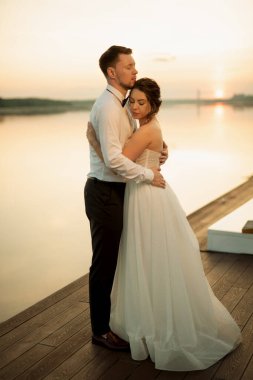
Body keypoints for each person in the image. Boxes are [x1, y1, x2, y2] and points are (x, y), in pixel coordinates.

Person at [87, 77, 242, 371]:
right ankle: (149, 318)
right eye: (132, 100)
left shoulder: (146, 131)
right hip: (148, 193)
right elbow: (138, 154)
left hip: (145, 198)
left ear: (153, 105)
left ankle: (152, 323)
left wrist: (94, 140)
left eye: (141, 102)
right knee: (149, 259)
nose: (134, 106)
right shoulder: (147, 127)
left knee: (146, 259)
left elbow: (113, 162)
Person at [84, 46, 167, 352]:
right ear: (112, 72)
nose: (135, 70)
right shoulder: (107, 107)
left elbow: (130, 144)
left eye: (135, 65)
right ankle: (101, 330)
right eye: (129, 66)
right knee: (104, 263)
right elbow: (115, 160)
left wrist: (157, 151)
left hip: (119, 191)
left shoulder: (124, 104)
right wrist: (148, 175)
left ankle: (122, 320)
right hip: (104, 192)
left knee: (120, 260)